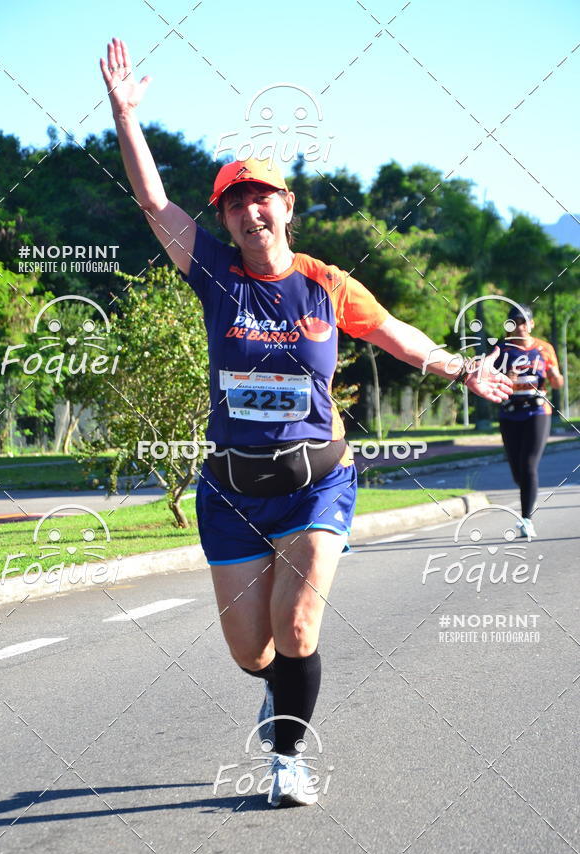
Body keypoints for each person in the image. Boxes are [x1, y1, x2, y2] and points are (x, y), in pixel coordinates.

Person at [100, 37, 513, 807]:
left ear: (287, 206)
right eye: (234, 201)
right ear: (225, 218)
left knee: (297, 627)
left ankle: (288, 758)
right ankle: (277, 689)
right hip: (231, 494)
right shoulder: (215, 274)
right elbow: (155, 204)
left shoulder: (327, 284)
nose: (249, 209)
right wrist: (126, 116)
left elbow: (395, 335)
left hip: (315, 483)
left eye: (262, 196)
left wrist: (459, 366)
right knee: (250, 651)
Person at [494, 307, 564, 538]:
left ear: (532, 324)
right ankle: (526, 501)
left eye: (524, 322)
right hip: (509, 413)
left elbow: (558, 383)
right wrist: (507, 379)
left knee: (528, 464)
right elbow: (491, 385)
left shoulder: (544, 348)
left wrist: (555, 376)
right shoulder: (502, 351)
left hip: (537, 411)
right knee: (518, 472)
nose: (520, 327)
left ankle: (526, 520)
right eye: (515, 322)